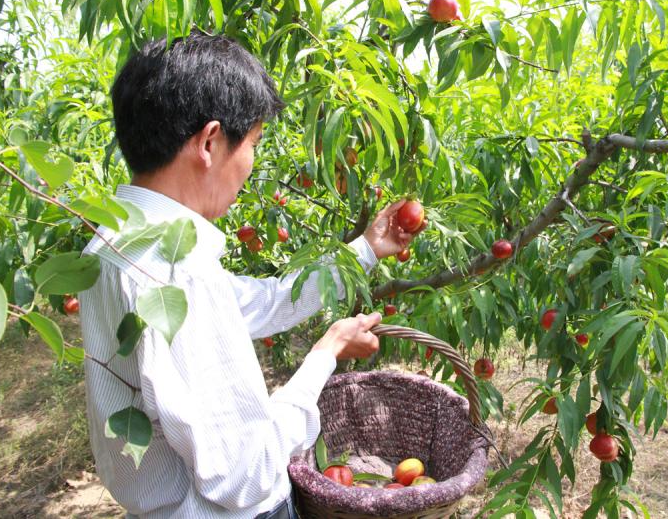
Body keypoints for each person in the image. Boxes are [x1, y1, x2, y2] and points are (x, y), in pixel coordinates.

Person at [78, 32, 422, 518]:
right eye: (254, 144)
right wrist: (324, 354)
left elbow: (263, 302)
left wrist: (365, 250)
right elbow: (247, 471)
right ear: (210, 142)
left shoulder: (113, 245)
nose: (251, 165)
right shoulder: (177, 272)